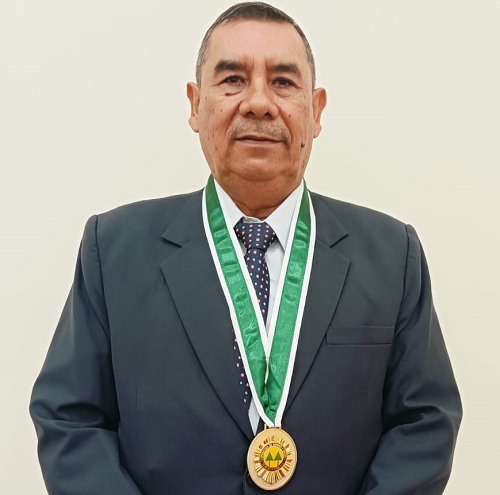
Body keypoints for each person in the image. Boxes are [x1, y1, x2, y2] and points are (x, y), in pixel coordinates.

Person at [30, 2, 462, 494]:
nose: (258, 102)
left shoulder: (392, 256)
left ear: (316, 111)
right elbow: (70, 419)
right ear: (196, 105)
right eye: (233, 79)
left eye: (283, 82)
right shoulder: (112, 251)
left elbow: (424, 421)